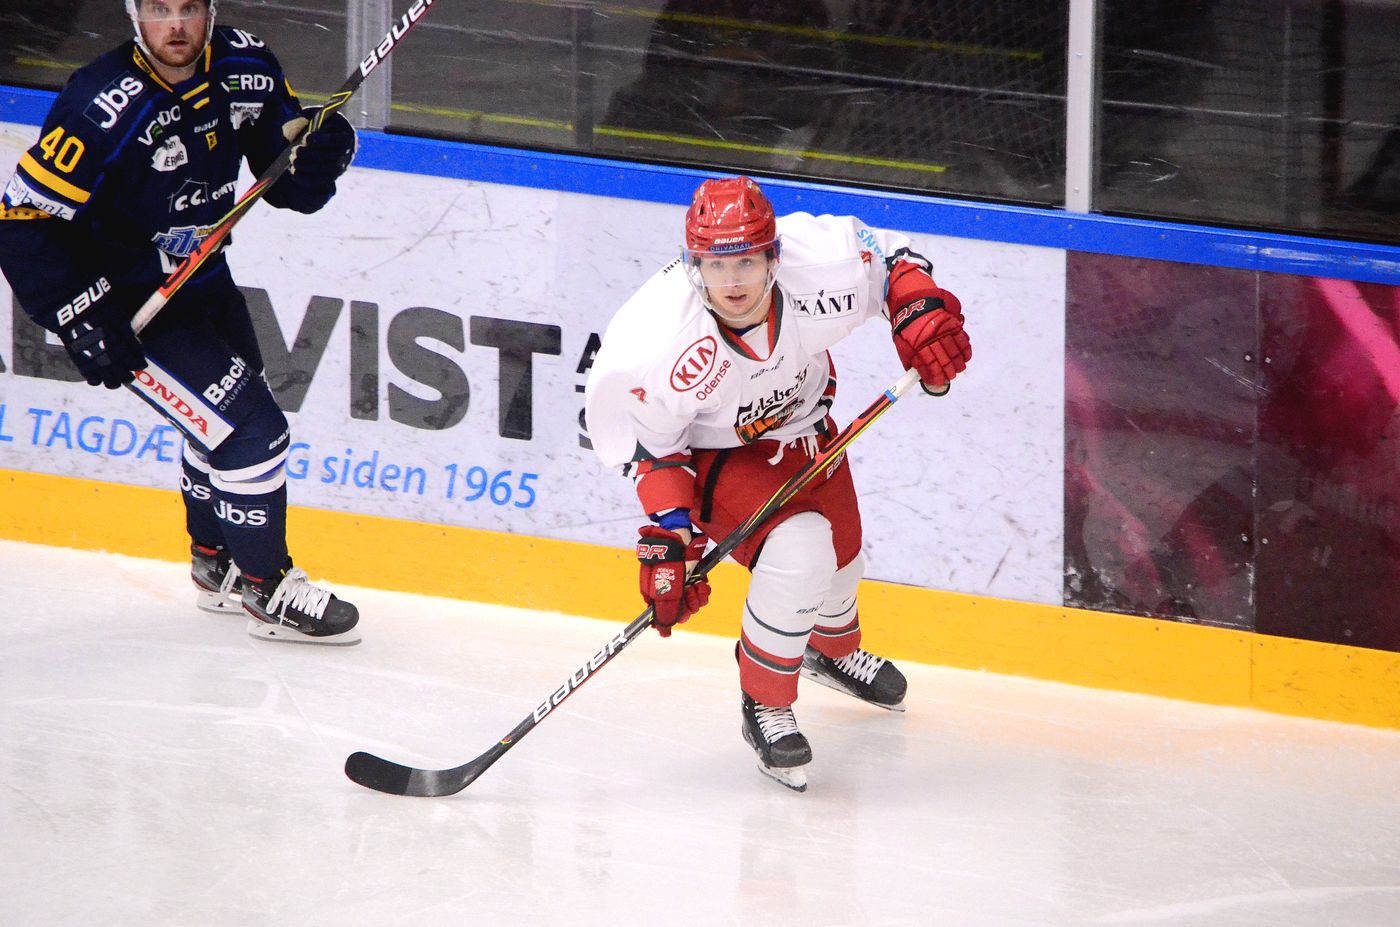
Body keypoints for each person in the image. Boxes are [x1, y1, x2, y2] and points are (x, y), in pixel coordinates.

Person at [584, 176, 970, 789]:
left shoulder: (818, 268)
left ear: (773, 257)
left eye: (745, 262)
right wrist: (674, 536)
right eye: (715, 265)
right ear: (693, 265)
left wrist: (917, 306)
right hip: (719, 455)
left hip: (808, 426)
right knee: (801, 551)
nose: (732, 281)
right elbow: (654, 452)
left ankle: (829, 651)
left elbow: (893, 260)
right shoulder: (656, 343)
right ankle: (765, 702)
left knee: (842, 557)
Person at [0, 0, 360, 644]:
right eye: (159, 9)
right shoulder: (100, 104)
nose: (175, 25)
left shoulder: (246, 65)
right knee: (253, 433)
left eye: (188, 7)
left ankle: (216, 563)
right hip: (128, 304)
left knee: (220, 427)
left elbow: (284, 180)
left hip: (203, 279)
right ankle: (267, 589)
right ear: (135, 15)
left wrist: (321, 155)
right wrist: (80, 314)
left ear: (209, 11)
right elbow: (22, 220)